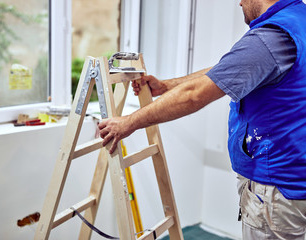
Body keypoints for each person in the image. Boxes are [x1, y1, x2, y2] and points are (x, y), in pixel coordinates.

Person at [99, 0, 306, 239]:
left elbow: (193, 96)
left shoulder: (270, 37)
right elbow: (226, 70)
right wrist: (168, 86)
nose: (239, 2)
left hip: (277, 186)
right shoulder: (298, 20)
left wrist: (127, 123)